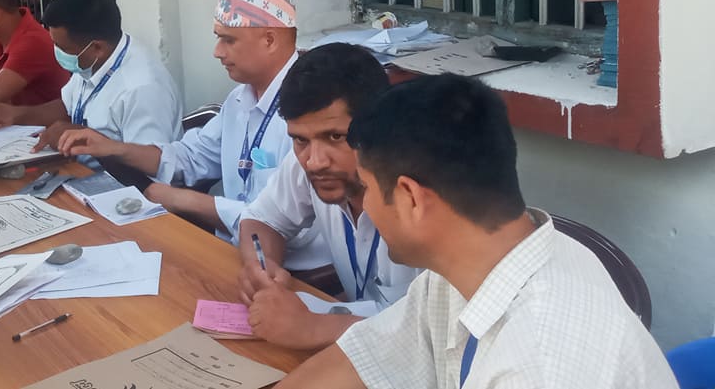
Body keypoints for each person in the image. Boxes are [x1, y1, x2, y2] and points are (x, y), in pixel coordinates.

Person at [277, 75, 678, 389]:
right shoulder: (467, 267)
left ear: (411, 198)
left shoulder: (539, 363)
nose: (365, 207)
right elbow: (367, 356)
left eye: (366, 188)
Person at [58, 0, 329, 270]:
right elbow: (189, 157)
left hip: (295, 272)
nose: (217, 52)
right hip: (233, 249)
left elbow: (288, 226)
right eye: (218, 38)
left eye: (228, 39)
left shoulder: (311, 110)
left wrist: (181, 200)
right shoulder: (239, 99)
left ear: (269, 39)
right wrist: (114, 148)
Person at [234, 43, 421, 350]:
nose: (314, 161)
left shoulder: (424, 195)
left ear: (379, 126)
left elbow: (440, 333)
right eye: (299, 140)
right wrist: (260, 265)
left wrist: (317, 327)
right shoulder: (312, 162)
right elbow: (261, 219)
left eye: (335, 137)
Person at [0, 0, 182, 156]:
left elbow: (150, 165)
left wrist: (87, 138)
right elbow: (67, 106)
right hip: (80, 169)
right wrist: (16, 115)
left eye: (63, 48)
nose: (56, 53)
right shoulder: (93, 60)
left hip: (124, 190)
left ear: (97, 48)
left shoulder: (141, 89)